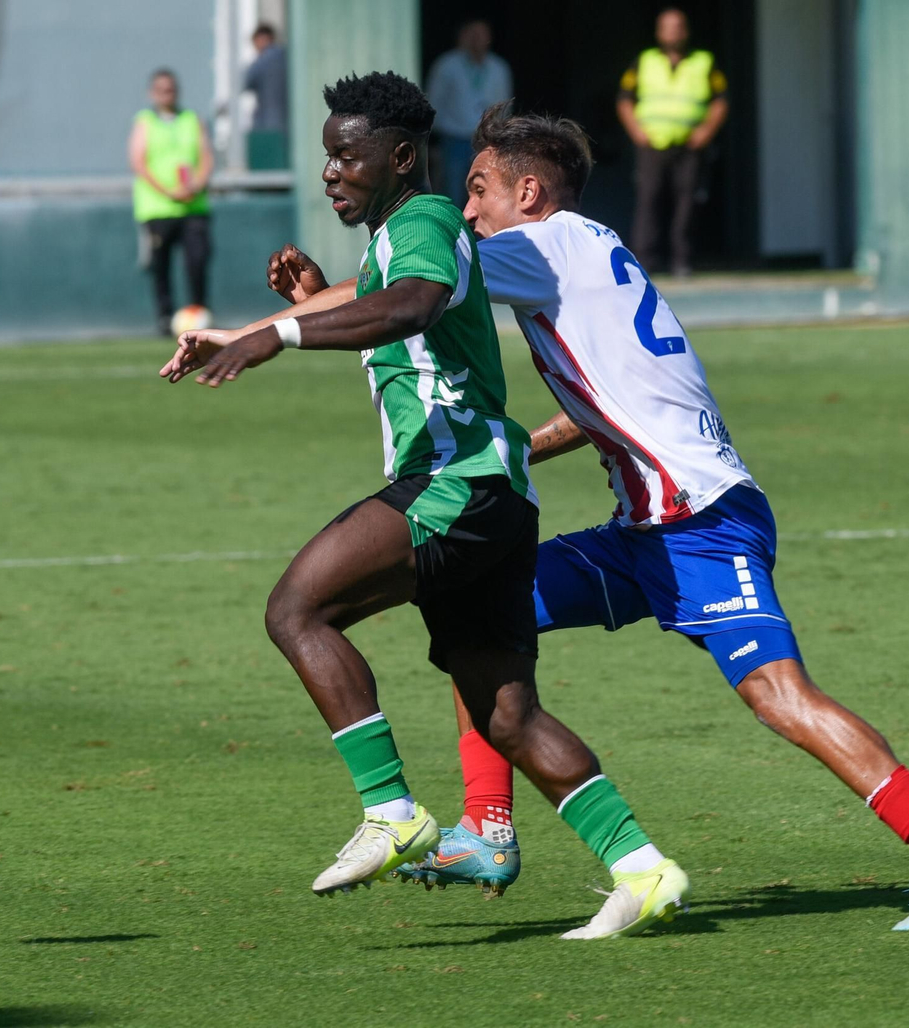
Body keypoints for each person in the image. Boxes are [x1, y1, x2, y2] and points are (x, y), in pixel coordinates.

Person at [264, 100, 909, 936]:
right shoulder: (588, 252)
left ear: (531, 192)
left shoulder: (542, 247)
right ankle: (487, 828)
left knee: (777, 694)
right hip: (644, 526)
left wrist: (302, 309)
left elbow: (422, 282)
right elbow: (595, 413)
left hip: (702, 521)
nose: (468, 208)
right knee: (484, 620)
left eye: (480, 190)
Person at [159, 73, 681, 935]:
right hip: (496, 494)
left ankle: (392, 814)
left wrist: (275, 336)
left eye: (346, 155)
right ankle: (644, 868)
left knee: (298, 609)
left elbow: (414, 304)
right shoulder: (398, 238)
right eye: (326, 156)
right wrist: (289, 311)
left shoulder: (427, 220)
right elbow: (385, 302)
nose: (331, 171)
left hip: (458, 479)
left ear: (400, 157)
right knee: (508, 715)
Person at [617, 8, 727, 278]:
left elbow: (721, 100)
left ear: (686, 31)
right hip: (652, 144)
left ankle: (682, 261)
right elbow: (624, 98)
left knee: (687, 203)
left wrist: (706, 131)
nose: (673, 32)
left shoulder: (704, 62)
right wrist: (636, 131)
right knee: (648, 201)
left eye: (678, 26)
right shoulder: (644, 61)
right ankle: (645, 261)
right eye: (667, 27)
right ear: (658, 32)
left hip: (689, 146)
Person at [128, 68, 214, 335]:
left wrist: (196, 184)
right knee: (160, 266)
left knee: (198, 260)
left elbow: (206, 156)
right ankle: (165, 317)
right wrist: (168, 191)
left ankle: (198, 312)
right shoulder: (145, 121)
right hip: (158, 208)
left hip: (193, 206)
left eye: (172, 88)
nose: (168, 93)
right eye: (162, 89)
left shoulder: (191, 119)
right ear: (152, 93)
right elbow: (138, 162)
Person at [425, 19, 511, 208]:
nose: (478, 40)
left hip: (487, 140)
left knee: (487, 193)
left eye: (482, 35)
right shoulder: (447, 65)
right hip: (454, 140)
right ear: (463, 36)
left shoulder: (499, 67)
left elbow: (505, 106)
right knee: (452, 193)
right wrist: (435, 142)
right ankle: (452, 235)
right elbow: (434, 103)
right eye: (473, 34)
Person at [243, 24, 288, 170]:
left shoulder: (264, 60)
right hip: (287, 124)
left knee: (268, 170)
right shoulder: (287, 57)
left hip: (267, 126)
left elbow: (244, 81)